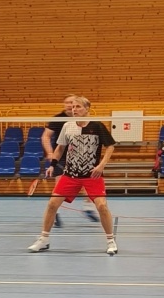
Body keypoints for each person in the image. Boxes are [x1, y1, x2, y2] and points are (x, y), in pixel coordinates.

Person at [29, 96, 117, 254]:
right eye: (73, 107)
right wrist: (53, 165)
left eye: (78, 107)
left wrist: (101, 165)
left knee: (102, 206)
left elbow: (110, 146)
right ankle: (44, 239)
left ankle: (111, 241)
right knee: (52, 204)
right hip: (70, 175)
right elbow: (60, 148)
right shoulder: (67, 126)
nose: (74, 109)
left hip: (92, 175)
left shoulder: (97, 125)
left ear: (87, 109)